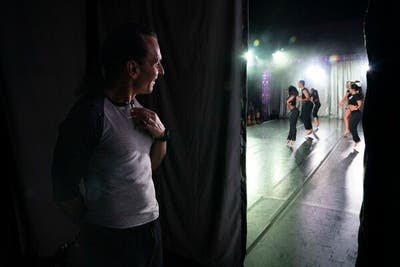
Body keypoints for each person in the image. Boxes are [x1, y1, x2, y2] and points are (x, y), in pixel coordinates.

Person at [51, 23, 168, 267]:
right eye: (155, 63)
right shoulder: (90, 115)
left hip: (150, 229)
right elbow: (63, 187)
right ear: (133, 69)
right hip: (114, 239)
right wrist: (96, 225)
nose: (161, 71)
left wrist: (161, 136)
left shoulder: (139, 110)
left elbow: (148, 167)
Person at [347, 83, 364, 150]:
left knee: (352, 127)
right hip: (353, 113)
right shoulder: (352, 95)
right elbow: (350, 103)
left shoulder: (356, 95)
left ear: (353, 89)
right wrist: (349, 107)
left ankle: (357, 141)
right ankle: (357, 140)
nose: (349, 89)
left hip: (357, 114)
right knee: (351, 127)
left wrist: (356, 108)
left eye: (350, 88)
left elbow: (360, 104)